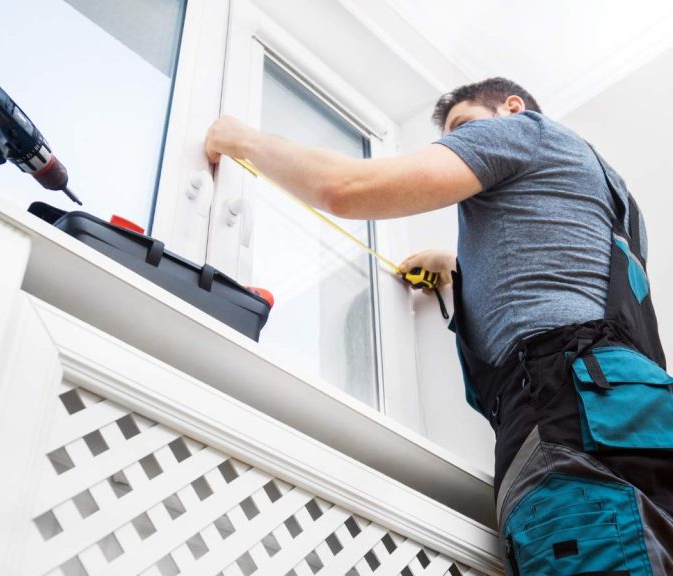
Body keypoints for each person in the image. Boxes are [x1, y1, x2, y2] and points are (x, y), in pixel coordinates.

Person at [205, 77, 673, 574]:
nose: (458, 143)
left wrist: (245, 141)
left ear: (511, 108)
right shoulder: (614, 197)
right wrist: (454, 267)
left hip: (565, 413)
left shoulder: (521, 130)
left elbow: (345, 188)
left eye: (464, 126)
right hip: (645, 415)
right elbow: (560, 277)